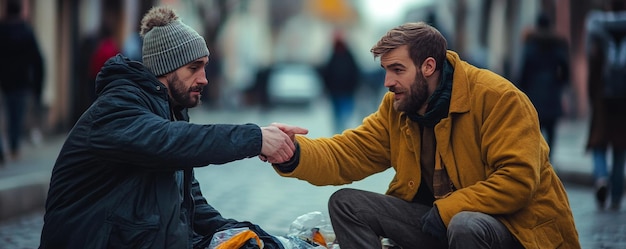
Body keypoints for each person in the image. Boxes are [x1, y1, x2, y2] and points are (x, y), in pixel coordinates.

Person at [268, 22, 581, 248]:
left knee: (465, 224)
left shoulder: (498, 98)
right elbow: (348, 154)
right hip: (439, 222)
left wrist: (447, 209)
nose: (388, 82)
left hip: (514, 231)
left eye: (397, 70)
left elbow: (518, 181)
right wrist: (294, 153)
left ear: (429, 66)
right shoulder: (398, 107)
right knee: (346, 204)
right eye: (385, 70)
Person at [39, 6, 298, 248]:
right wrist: (256, 138)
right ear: (166, 68)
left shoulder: (170, 114)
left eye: (205, 67)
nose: (204, 79)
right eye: (194, 68)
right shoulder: (116, 109)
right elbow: (171, 140)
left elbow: (195, 209)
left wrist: (266, 239)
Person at [585, 0, 626, 211]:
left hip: (603, 99)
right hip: (624, 103)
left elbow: (593, 66)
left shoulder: (597, 27)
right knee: (620, 148)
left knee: (599, 143)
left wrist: (592, 97)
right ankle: (617, 196)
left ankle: (601, 178)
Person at [518, 12, 570, 159]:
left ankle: (537, 161)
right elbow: (565, 67)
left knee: (535, 129)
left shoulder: (531, 43)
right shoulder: (558, 43)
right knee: (552, 131)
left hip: (534, 92)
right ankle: (549, 160)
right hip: (552, 92)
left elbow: (524, 69)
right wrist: (561, 83)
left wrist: (522, 88)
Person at [0, 0, 44, 164]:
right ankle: (14, 148)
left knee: (6, 114)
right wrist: (38, 86)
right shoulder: (27, 31)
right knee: (16, 117)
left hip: (5, 82)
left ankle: (6, 148)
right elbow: (38, 60)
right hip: (22, 82)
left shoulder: (2, 30)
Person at [320, 29, 361, 134]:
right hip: (335, 92)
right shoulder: (331, 54)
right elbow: (326, 72)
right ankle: (339, 135)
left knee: (345, 115)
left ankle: (343, 134)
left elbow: (355, 72)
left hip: (347, 91)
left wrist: (354, 86)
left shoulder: (349, 54)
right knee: (337, 116)